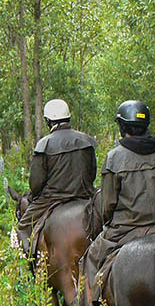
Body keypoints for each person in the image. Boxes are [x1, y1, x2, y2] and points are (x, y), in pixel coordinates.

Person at [81, 100, 155, 306]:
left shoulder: (115, 158)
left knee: (91, 257)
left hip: (126, 230)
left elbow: (107, 206)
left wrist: (110, 221)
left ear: (122, 127)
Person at [17, 98, 97, 257]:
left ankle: (30, 262)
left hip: (52, 198)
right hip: (85, 194)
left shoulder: (44, 144)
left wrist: (36, 195)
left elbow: (36, 183)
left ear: (48, 120)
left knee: (23, 226)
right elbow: (92, 172)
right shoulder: (85, 140)